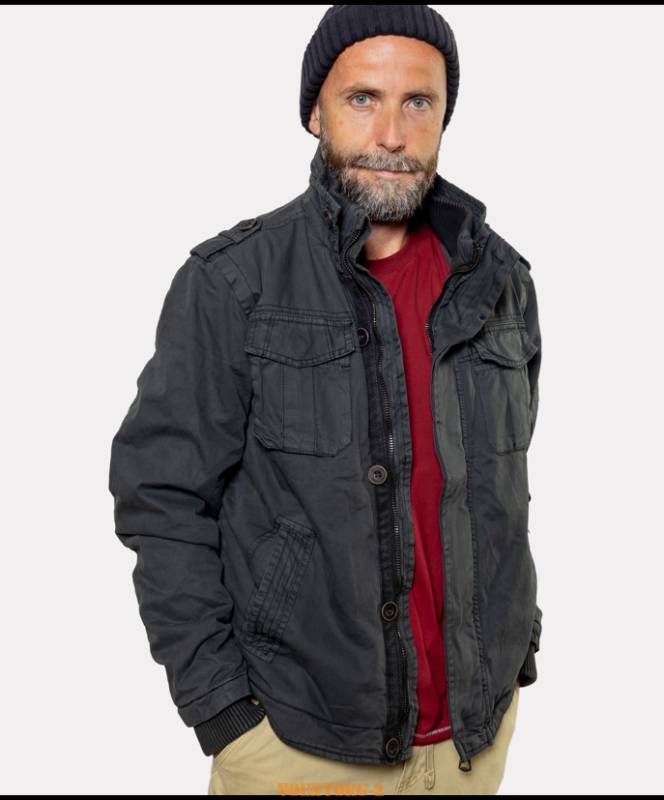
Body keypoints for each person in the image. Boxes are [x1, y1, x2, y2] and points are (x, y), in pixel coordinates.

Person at [108, 5, 543, 795]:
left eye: (418, 102)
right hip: (299, 739)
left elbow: (499, 489)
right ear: (315, 111)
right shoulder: (233, 281)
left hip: (475, 738)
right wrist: (223, 710)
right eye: (362, 98)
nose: (392, 134)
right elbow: (160, 496)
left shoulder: (499, 280)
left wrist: (520, 649)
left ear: (445, 114)